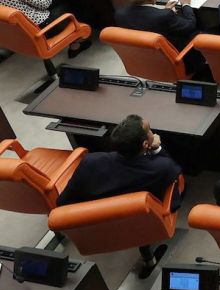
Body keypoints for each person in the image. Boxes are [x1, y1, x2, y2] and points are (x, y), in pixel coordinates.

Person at [57, 115, 182, 275]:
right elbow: (174, 176)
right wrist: (157, 149)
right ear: (145, 144)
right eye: (150, 130)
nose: (153, 132)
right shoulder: (161, 168)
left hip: (99, 235)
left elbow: (62, 203)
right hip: (143, 225)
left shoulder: (90, 162)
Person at [114, 0, 196, 51]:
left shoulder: (120, 14)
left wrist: (164, 11)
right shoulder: (164, 16)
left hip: (143, 56)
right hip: (173, 54)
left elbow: (145, 22)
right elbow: (190, 24)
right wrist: (186, 4)